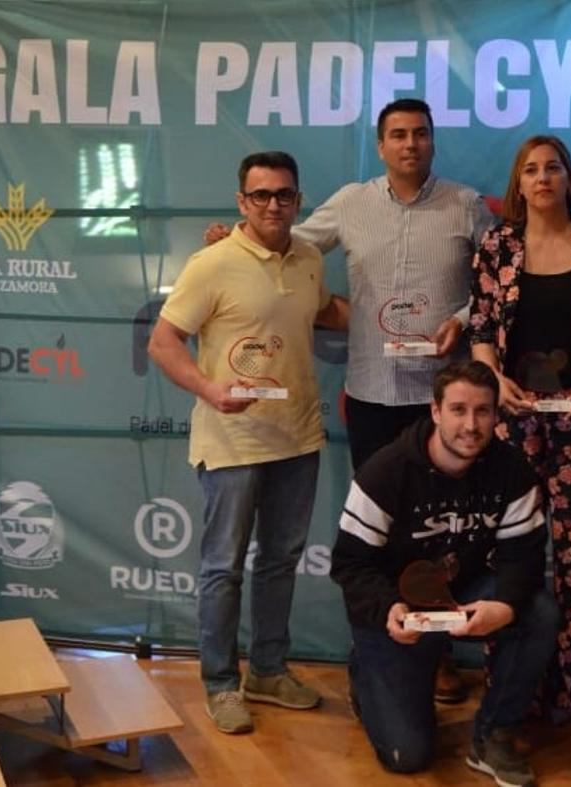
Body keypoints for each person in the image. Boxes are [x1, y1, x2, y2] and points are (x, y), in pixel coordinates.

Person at [206, 97, 493, 702]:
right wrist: (230, 239)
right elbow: (281, 242)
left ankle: (437, 655)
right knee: (379, 532)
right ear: (380, 145)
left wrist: (465, 318)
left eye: (420, 133)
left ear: (433, 141)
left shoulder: (465, 205)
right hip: (371, 396)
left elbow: (499, 280)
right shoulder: (349, 203)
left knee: (442, 535)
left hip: (443, 403)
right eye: (398, 135)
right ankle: (384, 648)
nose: (410, 144)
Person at [148, 151, 350, 734]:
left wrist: (396, 324)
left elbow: (325, 310)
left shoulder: (307, 257)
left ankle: (266, 670)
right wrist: (209, 389)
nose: (272, 205)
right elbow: (163, 342)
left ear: (298, 200)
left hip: (298, 438)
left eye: (283, 194)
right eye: (260, 194)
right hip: (232, 442)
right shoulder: (212, 263)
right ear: (242, 201)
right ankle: (219, 683)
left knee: (280, 561)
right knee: (223, 568)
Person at [330, 360, 558, 787]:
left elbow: (524, 556)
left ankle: (494, 734)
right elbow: (350, 563)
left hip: (464, 593)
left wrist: (505, 606)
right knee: (407, 755)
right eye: (458, 410)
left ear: (495, 414)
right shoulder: (385, 472)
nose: (470, 425)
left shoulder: (513, 472)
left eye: (482, 411)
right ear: (435, 411)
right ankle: (366, 671)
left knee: (539, 612)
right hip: (398, 608)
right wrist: (386, 609)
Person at [469, 134, 571, 723]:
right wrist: (493, 379)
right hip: (513, 423)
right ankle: (514, 683)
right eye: (532, 169)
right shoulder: (498, 246)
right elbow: (480, 326)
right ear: (519, 182)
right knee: (510, 553)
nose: (543, 178)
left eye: (553, 168)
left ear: (568, 178)